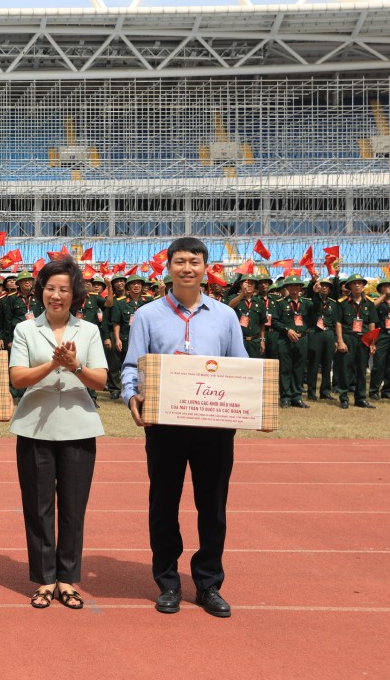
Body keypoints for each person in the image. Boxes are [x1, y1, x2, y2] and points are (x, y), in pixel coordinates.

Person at [123, 237, 246, 618]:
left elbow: (240, 368)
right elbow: (132, 366)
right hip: (164, 426)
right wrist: (132, 397)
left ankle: (208, 583)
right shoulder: (147, 315)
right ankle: (168, 582)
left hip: (214, 427)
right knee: (163, 505)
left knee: (213, 506)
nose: (187, 268)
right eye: (180, 261)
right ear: (169, 267)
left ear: (206, 267)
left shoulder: (225, 316)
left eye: (194, 261)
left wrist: (253, 406)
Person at [8, 258, 108, 610]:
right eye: (50, 288)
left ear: (75, 294)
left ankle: (67, 578)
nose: (56, 295)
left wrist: (75, 366)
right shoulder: (25, 330)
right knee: (38, 508)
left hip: (79, 425)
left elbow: (101, 379)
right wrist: (53, 363)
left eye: (64, 289)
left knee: (72, 508)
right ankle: (44, 580)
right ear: (41, 292)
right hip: (35, 425)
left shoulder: (89, 331)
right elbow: (17, 378)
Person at [336, 274, 378, 409]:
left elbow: (372, 323)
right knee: (345, 368)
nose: (357, 285)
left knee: (362, 369)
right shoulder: (342, 303)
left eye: (360, 283)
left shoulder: (370, 303)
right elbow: (338, 323)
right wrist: (340, 341)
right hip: (348, 337)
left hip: (364, 338)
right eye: (354, 283)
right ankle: (344, 397)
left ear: (363, 285)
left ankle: (360, 398)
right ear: (349, 286)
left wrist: (372, 343)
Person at [271, 276, 311, 408]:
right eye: (291, 286)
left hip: (302, 339)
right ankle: (285, 397)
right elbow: (275, 321)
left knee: (299, 369)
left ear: (300, 288)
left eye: (296, 286)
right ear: (287, 288)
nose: (294, 288)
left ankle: (296, 396)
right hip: (285, 340)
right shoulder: (280, 303)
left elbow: (314, 314)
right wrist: (287, 330)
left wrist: (314, 284)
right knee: (285, 369)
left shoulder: (306, 303)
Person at [306, 277, 339, 401]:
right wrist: (315, 292)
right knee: (313, 363)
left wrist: (335, 339)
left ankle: (325, 391)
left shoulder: (333, 303)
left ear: (330, 289)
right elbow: (312, 307)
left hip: (328, 334)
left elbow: (335, 322)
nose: (324, 288)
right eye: (322, 286)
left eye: (327, 286)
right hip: (315, 333)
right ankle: (311, 392)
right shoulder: (313, 300)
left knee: (327, 363)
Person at [370, 278, 390, 400]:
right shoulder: (376, 301)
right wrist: (384, 295)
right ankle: (373, 391)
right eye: (386, 286)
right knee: (379, 364)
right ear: (381, 289)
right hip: (381, 335)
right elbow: (371, 308)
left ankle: (387, 391)